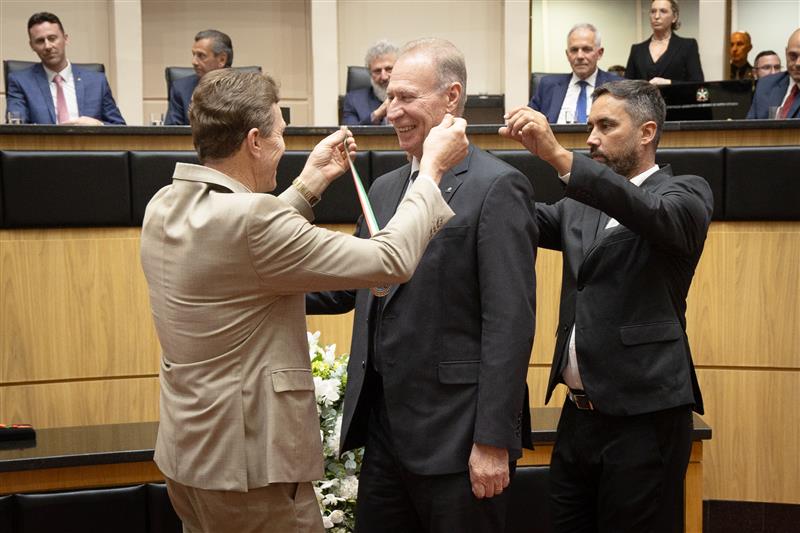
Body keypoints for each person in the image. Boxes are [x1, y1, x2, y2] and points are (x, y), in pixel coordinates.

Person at [140, 68, 468, 532]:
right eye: (280, 134)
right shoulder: (255, 220)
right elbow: (390, 258)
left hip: (189, 457)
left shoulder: (164, 204)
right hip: (249, 468)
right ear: (254, 140)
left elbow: (237, 245)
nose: (283, 147)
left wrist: (309, 184)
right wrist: (431, 173)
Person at [307, 38, 537, 533]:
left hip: (460, 440)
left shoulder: (498, 186)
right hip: (386, 437)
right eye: (389, 97)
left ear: (451, 97)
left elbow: (510, 322)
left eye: (406, 97)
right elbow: (350, 283)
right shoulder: (387, 187)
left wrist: (493, 441)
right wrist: (262, 280)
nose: (392, 112)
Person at [501, 79, 712, 532]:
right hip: (579, 416)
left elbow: (647, 213)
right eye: (589, 125)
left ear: (646, 132)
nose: (591, 138)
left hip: (646, 416)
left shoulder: (687, 195)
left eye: (605, 125)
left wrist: (559, 157)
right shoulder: (582, 205)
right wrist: (461, 166)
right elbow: (519, 217)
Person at [5, 12, 125, 125]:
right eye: (40, 41)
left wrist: (99, 125)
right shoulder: (20, 82)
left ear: (65, 39)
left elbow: (120, 127)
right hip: (43, 146)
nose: (47, 46)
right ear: (32, 46)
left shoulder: (97, 82)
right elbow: (16, 127)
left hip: (89, 145)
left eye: (52, 38)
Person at [529, 23, 622, 124]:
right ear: (567, 55)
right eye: (574, 50)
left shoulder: (618, 86)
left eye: (586, 49)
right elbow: (529, 121)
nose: (580, 56)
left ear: (599, 53)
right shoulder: (547, 85)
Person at [625, 0, 704, 84]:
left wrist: (669, 83)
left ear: (674, 17)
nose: (656, 16)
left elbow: (697, 84)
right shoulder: (637, 50)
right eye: (653, 11)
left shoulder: (688, 46)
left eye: (663, 11)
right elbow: (627, 85)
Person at [164, 29, 232, 126]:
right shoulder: (181, 89)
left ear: (222, 59)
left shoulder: (244, 89)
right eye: (194, 55)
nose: (194, 62)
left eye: (201, 56)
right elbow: (171, 134)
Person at [747, 28, 800, 119]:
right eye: (793, 56)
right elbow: (749, 129)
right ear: (786, 52)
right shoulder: (766, 85)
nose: (798, 63)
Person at [342, 39, 397, 125]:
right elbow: (349, 134)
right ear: (370, 73)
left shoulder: (411, 96)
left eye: (389, 69)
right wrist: (377, 114)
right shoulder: (353, 100)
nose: (384, 77)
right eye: (377, 71)